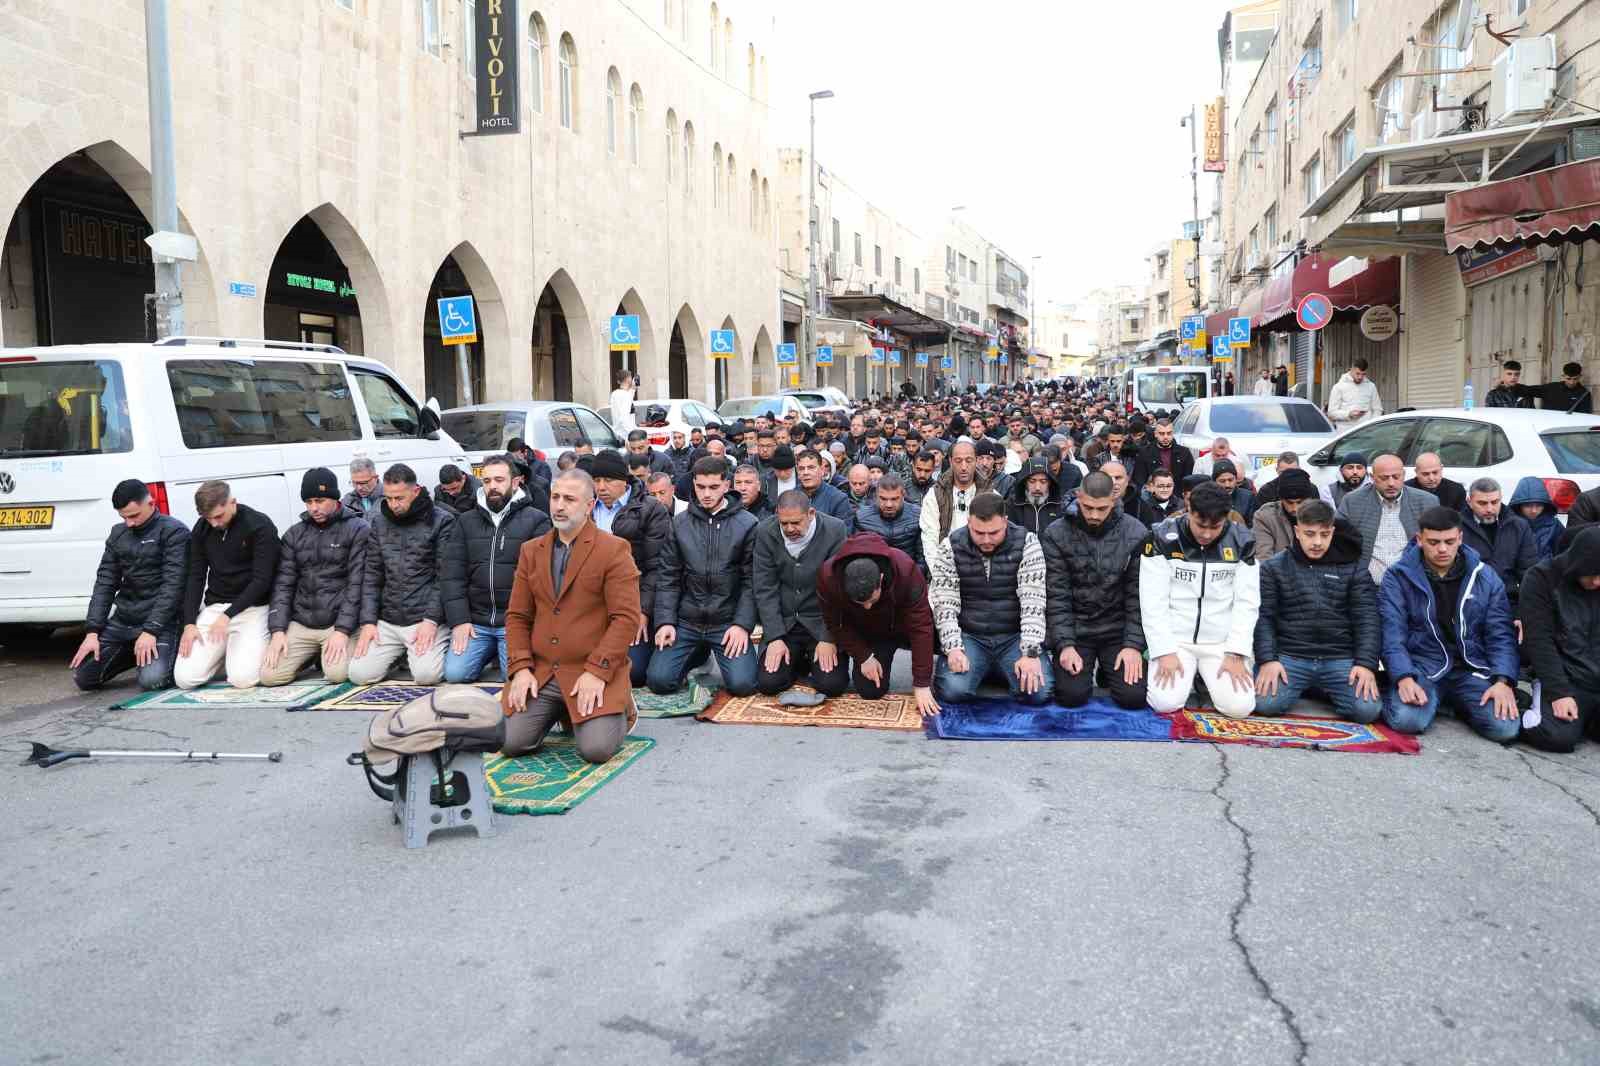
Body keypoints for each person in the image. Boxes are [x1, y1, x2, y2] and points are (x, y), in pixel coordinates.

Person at [501, 469, 640, 764]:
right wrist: (521, 668)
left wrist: (598, 672)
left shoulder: (614, 550)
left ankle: (623, 705)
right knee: (510, 742)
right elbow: (517, 616)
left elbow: (625, 619)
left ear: (590, 506)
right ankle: (562, 709)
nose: (559, 506)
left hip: (590, 670)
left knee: (596, 750)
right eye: (554, 497)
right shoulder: (531, 550)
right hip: (543, 671)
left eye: (569, 499)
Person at [1379, 507, 1520, 743]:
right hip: (1422, 667)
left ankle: (1452, 704)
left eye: (1449, 541)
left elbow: (1500, 634)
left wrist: (1503, 680)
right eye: (1433, 542)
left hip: (1471, 668)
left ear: (1460, 538)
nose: (1442, 549)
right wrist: (1403, 677)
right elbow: (1392, 633)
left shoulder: (1484, 576)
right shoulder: (1398, 576)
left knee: (1504, 729)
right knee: (1407, 721)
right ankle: (1432, 701)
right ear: (1419, 539)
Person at [1253, 502, 1383, 722]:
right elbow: (1265, 617)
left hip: (1339, 657)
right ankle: (1309, 685)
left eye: (1324, 535)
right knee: (1265, 704)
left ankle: (1323, 687)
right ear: (1297, 531)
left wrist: (1365, 664)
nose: (1317, 542)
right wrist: (1268, 660)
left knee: (1367, 711)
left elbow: (1367, 619)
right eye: (1310, 534)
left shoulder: (1353, 568)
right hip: (1291, 655)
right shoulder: (1274, 567)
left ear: (1332, 532)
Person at [1140, 482, 1260, 718]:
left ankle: (1206, 679)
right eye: (1200, 525)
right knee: (1165, 704)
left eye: (1215, 527)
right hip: (1177, 640)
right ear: (1188, 510)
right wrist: (1164, 650)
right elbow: (1153, 600)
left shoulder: (1243, 541)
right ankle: (1181, 672)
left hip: (1220, 642)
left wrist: (1237, 652)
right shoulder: (1162, 537)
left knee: (1239, 709)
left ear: (1227, 517)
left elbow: (1247, 602)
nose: (1206, 534)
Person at [434, 454, 553, 684]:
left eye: (499, 480)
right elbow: (452, 575)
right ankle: (489, 650)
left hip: (515, 622)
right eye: (487, 481)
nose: (493, 487)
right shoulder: (466, 521)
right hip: (476, 621)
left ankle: (502, 651)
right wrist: (459, 620)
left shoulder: (537, 521)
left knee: (513, 677)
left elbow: (541, 579)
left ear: (515, 482)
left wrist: (525, 624)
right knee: (455, 674)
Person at [648, 457, 760, 696]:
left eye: (713, 487)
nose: (706, 493)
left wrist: (742, 625)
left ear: (726, 485)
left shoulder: (748, 524)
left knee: (743, 685)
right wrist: (665, 622)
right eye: (700, 487)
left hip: (726, 622)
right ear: (693, 485)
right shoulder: (679, 524)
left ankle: (713, 650)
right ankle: (697, 655)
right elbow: (668, 576)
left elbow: (752, 582)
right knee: (659, 681)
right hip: (687, 622)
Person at [928, 493, 1052, 705]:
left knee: (1039, 693)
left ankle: (994, 669)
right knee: (952, 691)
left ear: (1005, 521)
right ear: (969, 522)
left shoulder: (1028, 543)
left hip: (1014, 636)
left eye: (994, 532)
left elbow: (1034, 601)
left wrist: (1030, 652)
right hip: (970, 636)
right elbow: (944, 603)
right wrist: (953, 647)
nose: (986, 539)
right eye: (978, 532)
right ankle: (989, 669)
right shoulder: (950, 546)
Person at [1039, 471, 1148, 709]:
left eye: (1101, 509)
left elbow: (1137, 597)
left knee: (1133, 698)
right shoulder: (1056, 533)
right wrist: (1065, 645)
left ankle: (1109, 670)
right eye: (1088, 508)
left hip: (1116, 630)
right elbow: (1057, 596)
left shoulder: (1136, 532)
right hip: (1077, 630)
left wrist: (1133, 646)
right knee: (1071, 697)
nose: (1094, 515)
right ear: (1079, 497)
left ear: (1113, 500)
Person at [71, 479, 190, 692]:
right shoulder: (118, 534)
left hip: (162, 623)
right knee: (83, 678)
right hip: (124, 620)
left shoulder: (175, 532)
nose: (129, 523)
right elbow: (105, 583)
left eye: (134, 516)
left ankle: (156, 654)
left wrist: (151, 630)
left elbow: (174, 586)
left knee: (152, 680)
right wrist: (92, 631)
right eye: (123, 517)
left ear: (152, 504)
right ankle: (134, 653)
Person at [259, 468, 372, 687]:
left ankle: (333, 650)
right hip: (303, 622)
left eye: (319, 500)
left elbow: (358, 584)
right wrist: (278, 630)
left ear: (334, 498)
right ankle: (311, 654)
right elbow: (283, 584)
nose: (313, 508)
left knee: (336, 675)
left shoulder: (358, 529)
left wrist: (342, 631)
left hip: (338, 622)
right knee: (269, 676)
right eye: (308, 502)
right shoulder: (294, 534)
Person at [347, 464, 456, 685]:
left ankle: (439, 644)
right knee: (359, 674)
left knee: (427, 676)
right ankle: (401, 654)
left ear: (415, 491)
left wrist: (432, 620)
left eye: (399, 498)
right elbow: (372, 575)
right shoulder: (379, 522)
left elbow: (444, 577)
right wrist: (368, 622)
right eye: (388, 498)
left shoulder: (442, 521)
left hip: (424, 617)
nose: (393, 505)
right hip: (388, 618)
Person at [173, 481, 280, 690]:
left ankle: (238, 652)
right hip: (216, 607)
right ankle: (222, 654)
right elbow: (196, 576)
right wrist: (189, 623)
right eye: (207, 518)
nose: (213, 523)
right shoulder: (202, 528)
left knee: (243, 679)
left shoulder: (259, 525)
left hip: (253, 608)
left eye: (218, 516)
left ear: (233, 503)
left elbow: (262, 580)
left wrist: (227, 616)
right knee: (185, 679)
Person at [752, 490, 851, 697]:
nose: (789, 529)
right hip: (786, 623)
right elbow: (764, 588)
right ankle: (798, 662)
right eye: (784, 523)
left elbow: (838, 590)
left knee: (831, 685)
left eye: (796, 523)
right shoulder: (765, 531)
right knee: (768, 683)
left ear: (811, 513)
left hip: (820, 621)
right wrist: (774, 638)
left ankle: (809, 659)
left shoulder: (835, 530)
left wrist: (828, 638)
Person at [588, 450, 673, 687]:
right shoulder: (587, 510)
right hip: (593, 602)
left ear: (624, 481)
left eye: (608, 481)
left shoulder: (650, 510)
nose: (601, 487)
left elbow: (657, 567)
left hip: (633, 600)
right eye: (596, 481)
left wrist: (642, 612)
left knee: (633, 672)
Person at [1519, 527, 1600, 752]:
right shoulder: (1542, 578)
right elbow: (1539, 640)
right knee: (1557, 738)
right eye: (1592, 575)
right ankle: (1528, 708)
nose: (1597, 583)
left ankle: (1587, 722)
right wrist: (1559, 693)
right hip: (1564, 676)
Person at [1338, 453, 1436, 586]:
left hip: (1413, 584)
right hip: (1367, 585)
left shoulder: (1426, 501)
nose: (1391, 483)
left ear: (1404, 475)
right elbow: (1339, 540)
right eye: (1384, 478)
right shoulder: (1352, 501)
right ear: (1372, 478)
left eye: (1396, 477)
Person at [1458, 477, 1538, 606]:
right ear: (1469, 502)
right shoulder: (1456, 527)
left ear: (1501, 499)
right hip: (1469, 601)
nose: (1490, 509)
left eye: (1495, 502)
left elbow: (1529, 573)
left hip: (1509, 600)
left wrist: (1522, 612)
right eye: (1482, 503)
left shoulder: (1518, 526)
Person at [920, 439, 989, 564]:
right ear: (951, 462)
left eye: (969, 460)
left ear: (976, 461)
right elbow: (930, 538)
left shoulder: (990, 494)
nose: (963, 467)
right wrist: (939, 572)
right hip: (945, 563)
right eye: (958, 461)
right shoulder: (935, 494)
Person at [853, 473, 923, 568]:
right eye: (883, 499)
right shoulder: (862, 517)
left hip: (908, 572)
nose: (889, 504)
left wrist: (915, 576)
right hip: (874, 573)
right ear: (876, 496)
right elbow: (857, 554)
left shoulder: (917, 516)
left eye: (894, 499)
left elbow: (922, 557)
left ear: (903, 496)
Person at [1251, 469, 1316, 561]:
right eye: (1289, 503)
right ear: (1281, 499)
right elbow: (1264, 557)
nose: (1295, 508)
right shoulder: (1265, 517)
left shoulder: (1321, 516)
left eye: (1300, 502)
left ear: (1309, 499)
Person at [793, 448, 855, 526]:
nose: (806, 472)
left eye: (811, 468)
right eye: (801, 469)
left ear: (822, 470)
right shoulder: (790, 497)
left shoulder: (838, 499)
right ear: (797, 473)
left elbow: (843, 533)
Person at [1005, 457, 1066, 536]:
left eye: (1043, 482)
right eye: (1032, 481)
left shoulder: (1061, 505)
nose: (1037, 487)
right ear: (1025, 482)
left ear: (1050, 483)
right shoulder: (1012, 505)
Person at [1510, 476, 1563, 561]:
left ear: (1545, 505)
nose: (1534, 510)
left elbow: (1562, 555)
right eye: (1528, 506)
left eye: (1538, 505)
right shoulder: (1510, 525)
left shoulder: (1554, 525)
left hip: (1546, 572)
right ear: (1519, 505)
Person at [1131, 419, 1194, 489]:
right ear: (1155, 434)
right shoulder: (1144, 453)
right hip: (1152, 496)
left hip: (1178, 495)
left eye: (1169, 433)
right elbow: (1139, 479)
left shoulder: (1184, 453)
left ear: (1173, 434)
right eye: (1161, 433)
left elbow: (1188, 479)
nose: (1165, 437)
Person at [1327, 359, 1383, 428]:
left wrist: (1371, 426)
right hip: (1345, 433)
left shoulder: (1371, 386)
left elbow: (1378, 409)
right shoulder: (1338, 387)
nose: (1360, 377)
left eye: (1363, 374)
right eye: (1358, 373)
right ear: (1351, 369)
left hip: (1366, 432)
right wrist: (1348, 414)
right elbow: (1331, 413)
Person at [1210, 460, 1258, 525]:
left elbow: (1252, 526)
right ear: (1214, 482)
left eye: (1230, 480)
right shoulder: (1208, 498)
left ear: (1236, 479)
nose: (1227, 485)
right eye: (1222, 481)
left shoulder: (1248, 497)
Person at [609, 369, 638, 434]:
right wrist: (631, 433)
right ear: (628, 379)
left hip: (618, 433)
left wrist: (633, 389)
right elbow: (624, 417)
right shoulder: (625, 395)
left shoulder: (614, 394)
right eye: (630, 377)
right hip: (626, 435)